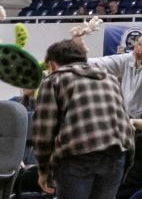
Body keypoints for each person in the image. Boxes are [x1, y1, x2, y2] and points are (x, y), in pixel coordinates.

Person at [33, 40, 134, 199]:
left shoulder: (55, 80)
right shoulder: (110, 79)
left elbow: (44, 130)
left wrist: (44, 170)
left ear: (52, 64)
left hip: (78, 153)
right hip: (117, 153)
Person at [90, 34, 142, 120]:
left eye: (140, 44)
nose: (135, 45)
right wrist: (80, 59)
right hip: (130, 116)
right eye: (137, 42)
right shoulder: (128, 58)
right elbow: (103, 62)